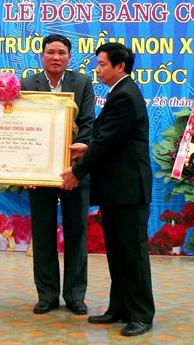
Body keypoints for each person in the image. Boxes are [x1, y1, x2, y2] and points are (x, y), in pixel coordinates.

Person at [61, 42, 155, 337]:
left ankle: (141, 314)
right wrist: (86, 148)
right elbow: (108, 139)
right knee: (117, 251)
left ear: (120, 66)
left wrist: (77, 171)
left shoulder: (125, 95)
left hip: (128, 189)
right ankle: (120, 308)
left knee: (132, 253)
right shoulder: (119, 92)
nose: (97, 69)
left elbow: (106, 142)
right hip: (117, 189)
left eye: (102, 64)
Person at [20, 34, 95, 315]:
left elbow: (88, 123)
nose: (56, 57)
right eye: (50, 52)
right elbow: (22, 124)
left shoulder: (82, 83)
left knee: (77, 232)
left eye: (61, 52)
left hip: (73, 169)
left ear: (69, 57)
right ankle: (47, 295)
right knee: (43, 233)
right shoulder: (29, 84)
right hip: (39, 170)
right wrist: (26, 167)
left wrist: (76, 164)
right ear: (42, 55)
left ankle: (75, 296)